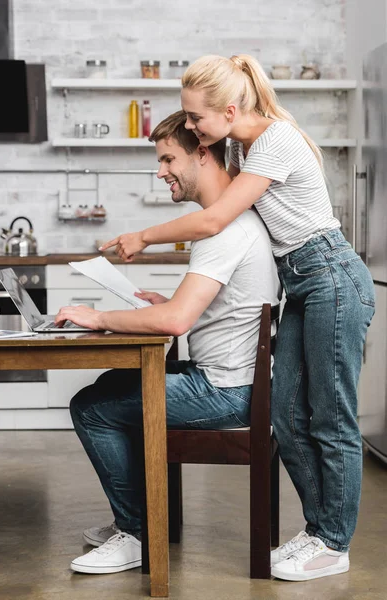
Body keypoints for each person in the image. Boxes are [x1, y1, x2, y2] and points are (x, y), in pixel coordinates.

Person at [100, 54, 376, 581]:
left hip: (332, 278)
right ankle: (316, 532)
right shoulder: (241, 144)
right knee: (289, 416)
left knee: (331, 417)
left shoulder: (276, 140)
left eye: (196, 120)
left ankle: (333, 542)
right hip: (302, 283)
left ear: (229, 109)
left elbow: (216, 219)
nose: (193, 131)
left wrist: (143, 236)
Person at [55, 109, 281, 575]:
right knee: (111, 388)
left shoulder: (222, 231)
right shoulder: (236, 223)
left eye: (167, 159)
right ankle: (142, 517)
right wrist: (165, 302)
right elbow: (206, 309)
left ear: (202, 153)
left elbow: (177, 322)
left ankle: (136, 532)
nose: (160, 172)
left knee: (92, 407)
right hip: (234, 383)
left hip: (225, 393)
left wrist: (96, 316)